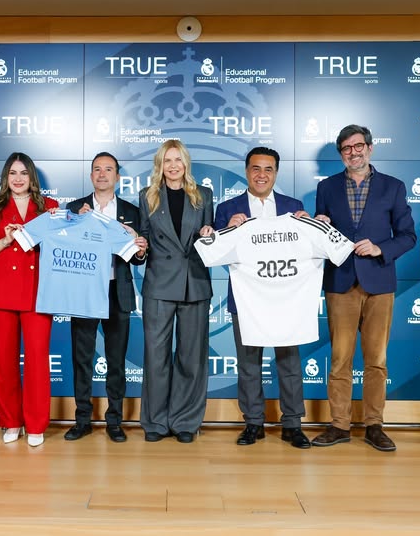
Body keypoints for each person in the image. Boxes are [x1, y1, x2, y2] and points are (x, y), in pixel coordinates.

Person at [312, 124, 416, 452]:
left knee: (376, 360)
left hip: (379, 282)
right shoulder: (327, 187)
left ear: (370, 148)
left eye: (358, 146)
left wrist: (380, 248)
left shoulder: (393, 187)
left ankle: (374, 425)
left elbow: (408, 236)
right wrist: (319, 224)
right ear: (341, 154)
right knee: (340, 359)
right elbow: (320, 232)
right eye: (346, 148)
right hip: (340, 281)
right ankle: (339, 425)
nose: (353, 152)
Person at [213, 147, 314, 449]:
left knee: (289, 362)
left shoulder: (293, 207)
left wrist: (310, 225)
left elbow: (308, 248)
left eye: (268, 169)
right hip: (246, 299)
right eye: (256, 168)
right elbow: (216, 252)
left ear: (276, 173)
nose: (261, 175)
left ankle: (293, 424)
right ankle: (253, 423)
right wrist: (228, 230)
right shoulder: (227, 208)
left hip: (286, 299)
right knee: (248, 364)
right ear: (247, 171)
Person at [63, 152, 148, 443]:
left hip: (117, 291)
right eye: (97, 169)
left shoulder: (131, 211)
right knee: (82, 359)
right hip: (84, 293)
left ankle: (115, 420)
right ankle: (82, 420)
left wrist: (140, 250)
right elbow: (64, 247)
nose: (102, 174)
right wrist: (77, 224)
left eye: (108, 169)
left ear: (117, 177)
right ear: (91, 176)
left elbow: (137, 257)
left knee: (116, 360)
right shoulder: (74, 208)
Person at [0, 152, 58, 447]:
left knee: (37, 360)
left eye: (24, 173)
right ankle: (11, 421)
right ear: (5, 177)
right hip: (0, 291)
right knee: (2, 360)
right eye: (12, 173)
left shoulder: (49, 207)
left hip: (38, 292)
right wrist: (7, 240)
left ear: (32, 176)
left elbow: (60, 247)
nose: (18, 178)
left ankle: (35, 424)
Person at [138, 139, 214, 444]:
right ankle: (155, 422)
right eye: (167, 160)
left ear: (186, 163)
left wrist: (209, 233)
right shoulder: (148, 196)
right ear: (160, 164)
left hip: (195, 282)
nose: (173, 166)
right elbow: (144, 237)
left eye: (178, 160)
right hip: (159, 283)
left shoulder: (204, 195)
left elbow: (211, 238)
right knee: (156, 357)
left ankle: (185, 422)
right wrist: (140, 249)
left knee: (191, 357)